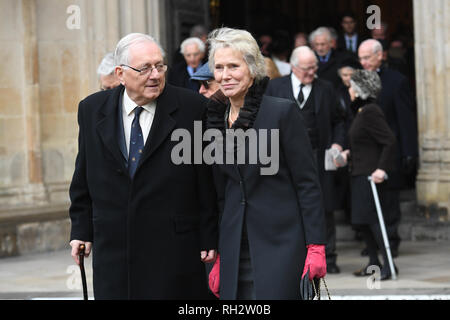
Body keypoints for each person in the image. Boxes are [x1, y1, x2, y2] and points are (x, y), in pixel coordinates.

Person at [69, 33, 218, 299]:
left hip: (173, 248)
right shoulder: (91, 109)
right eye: (145, 68)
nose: (155, 75)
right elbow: (84, 173)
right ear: (120, 74)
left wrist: (208, 235)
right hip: (114, 248)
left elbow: (205, 178)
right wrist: (81, 230)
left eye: (159, 66)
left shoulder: (193, 108)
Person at [206, 27, 327, 300]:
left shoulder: (281, 112)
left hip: (282, 245)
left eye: (233, 66)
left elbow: (307, 183)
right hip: (234, 246)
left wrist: (316, 245)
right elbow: (222, 191)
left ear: (251, 68)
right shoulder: (212, 120)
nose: (225, 76)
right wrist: (219, 251)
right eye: (219, 67)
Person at [265, 45, 345, 275]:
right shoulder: (275, 86)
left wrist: (338, 143)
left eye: (314, 68)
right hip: (284, 159)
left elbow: (340, 120)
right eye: (307, 69)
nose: (312, 73)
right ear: (293, 67)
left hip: (318, 157)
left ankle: (328, 256)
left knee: (323, 206)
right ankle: (293, 255)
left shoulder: (326, 88)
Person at [358, 39, 418, 255]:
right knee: (368, 203)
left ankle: (390, 244)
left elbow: (405, 119)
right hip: (366, 153)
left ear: (380, 56)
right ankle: (372, 244)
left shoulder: (397, 81)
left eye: (367, 58)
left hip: (390, 151)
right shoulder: (360, 79)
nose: (363, 62)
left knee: (389, 203)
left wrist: (410, 151)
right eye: (361, 58)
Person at [339, 69, 398, 280]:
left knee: (373, 222)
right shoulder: (362, 111)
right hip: (358, 173)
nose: (349, 90)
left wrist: (381, 169)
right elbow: (365, 142)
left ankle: (389, 266)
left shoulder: (371, 111)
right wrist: (348, 153)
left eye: (352, 86)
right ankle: (374, 262)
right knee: (363, 221)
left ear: (360, 89)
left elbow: (389, 140)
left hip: (370, 176)